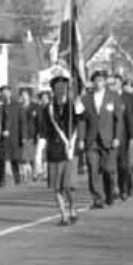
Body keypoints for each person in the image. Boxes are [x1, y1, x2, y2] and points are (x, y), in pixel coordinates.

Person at [39, 74, 84, 225]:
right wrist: (40, 153)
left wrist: (77, 103)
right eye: (57, 88)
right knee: (56, 187)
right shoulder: (48, 109)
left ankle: (72, 207)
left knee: (68, 186)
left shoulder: (73, 106)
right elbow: (44, 131)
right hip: (54, 151)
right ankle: (64, 216)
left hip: (69, 150)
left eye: (63, 88)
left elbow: (82, 118)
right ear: (53, 90)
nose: (60, 90)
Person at [80, 69, 123, 209]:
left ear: (105, 82)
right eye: (96, 80)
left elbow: (118, 119)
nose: (98, 83)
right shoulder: (85, 98)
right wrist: (81, 138)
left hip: (108, 139)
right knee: (93, 169)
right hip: (91, 140)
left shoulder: (113, 96)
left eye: (101, 80)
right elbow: (81, 121)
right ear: (93, 82)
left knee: (107, 169)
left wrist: (117, 137)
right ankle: (97, 198)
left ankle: (109, 193)